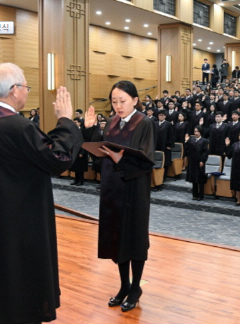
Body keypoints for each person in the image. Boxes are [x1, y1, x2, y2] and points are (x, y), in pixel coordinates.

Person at [0, 63, 84, 324]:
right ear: (14, 90)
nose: (27, 92)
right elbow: (58, 157)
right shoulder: (17, 127)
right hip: (22, 226)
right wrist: (66, 120)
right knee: (22, 285)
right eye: (26, 87)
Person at [83, 81, 155, 312]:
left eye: (122, 101)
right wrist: (89, 130)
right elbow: (100, 150)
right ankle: (124, 285)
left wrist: (120, 159)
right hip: (113, 189)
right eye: (114, 102)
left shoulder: (145, 123)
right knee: (117, 239)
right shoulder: (112, 121)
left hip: (134, 190)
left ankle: (136, 288)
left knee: (134, 239)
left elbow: (146, 161)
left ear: (134, 100)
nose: (118, 106)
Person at [185, 126, 209, 201]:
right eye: (195, 131)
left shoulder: (204, 141)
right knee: (193, 179)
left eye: (197, 131)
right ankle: (194, 194)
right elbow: (187, 150)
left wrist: (202, 160)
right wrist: (186, 142)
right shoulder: (191, 140)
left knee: (200, 179)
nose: (196, 133)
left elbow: (205, 152)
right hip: (192, 162)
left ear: (200, 132)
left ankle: (201, 195)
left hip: (199, 162)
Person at [69, 118, 89, 186]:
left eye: (76, 122)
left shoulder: (83, 131)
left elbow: (84, 142)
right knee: (75, 167)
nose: (75, 124)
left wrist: (82, 152)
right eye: (74, 122)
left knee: (80, 167)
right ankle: (76, 180)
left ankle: (81, 181)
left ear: (80, 123)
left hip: (81, 151)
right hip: (74, 151)